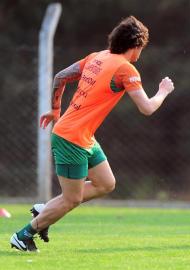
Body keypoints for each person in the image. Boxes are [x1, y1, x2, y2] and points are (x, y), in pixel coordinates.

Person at [10, 16, 175, 252]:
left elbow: (60, 77)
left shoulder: (97, 56)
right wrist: (162, 91)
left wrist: (56, 109)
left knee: (106, 183)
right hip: (71, 139)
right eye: (142, 48)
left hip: (82, 136)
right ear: (137, 46)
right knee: (72, 199)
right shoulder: (126, 69)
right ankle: (24, 235)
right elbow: (147, 107)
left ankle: (46, 209)